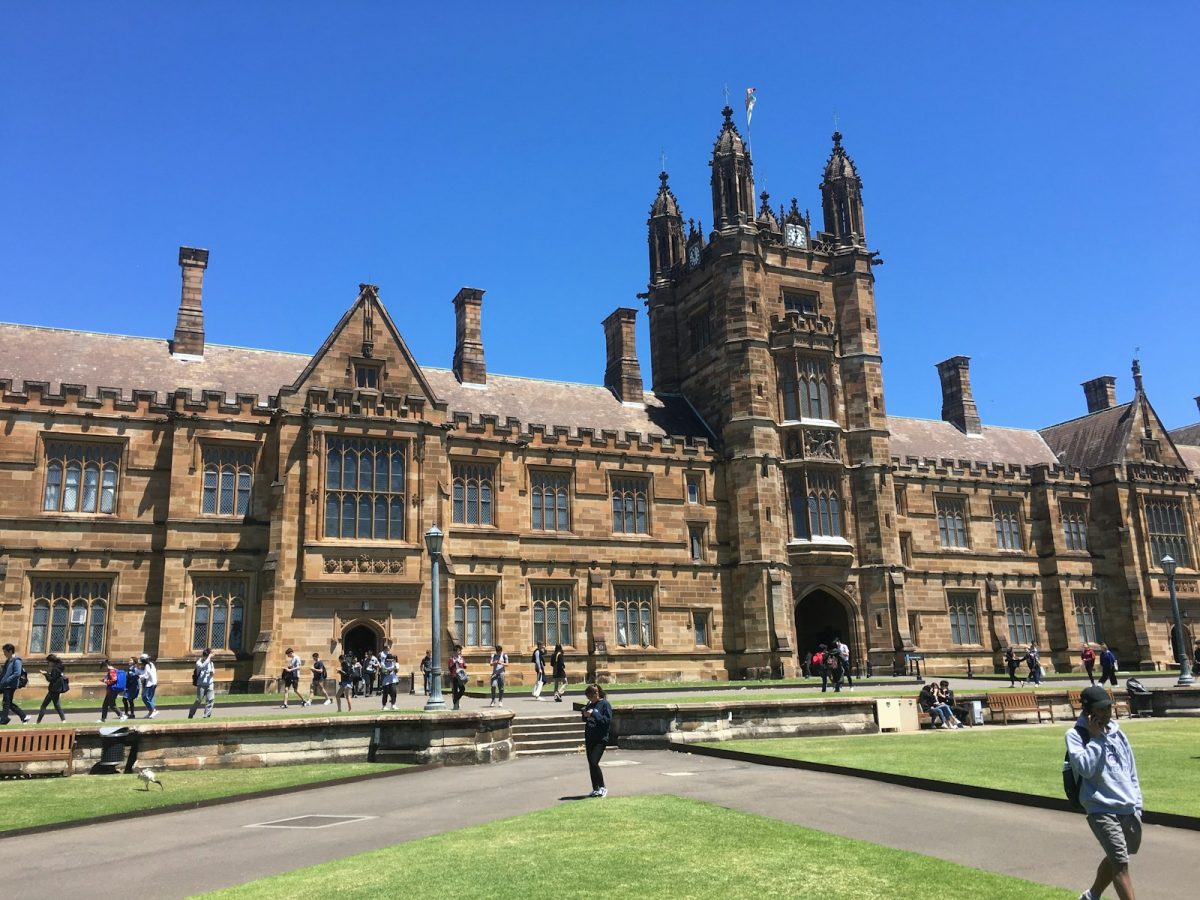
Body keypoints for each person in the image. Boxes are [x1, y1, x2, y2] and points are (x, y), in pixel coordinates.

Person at [1068, 685, 1142, 900]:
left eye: (1108, 708)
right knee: (1120, 864)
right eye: (1100, 710)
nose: (1106, 714)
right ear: (1088, 711)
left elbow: (1130, 770)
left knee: (1116, 856)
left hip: (1128, 805)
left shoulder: (1118, 734)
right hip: (1100, 807)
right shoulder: (1075, 736)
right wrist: (1096, 739)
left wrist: (1137, 804)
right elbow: (1084, 768)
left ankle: (1091, 896)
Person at [582, 683, 613, 798]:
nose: (589, 699)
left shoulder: (605, 704)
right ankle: (595, 788)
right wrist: (585, 714)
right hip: (590, 737)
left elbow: (606, 721)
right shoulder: (590, 704)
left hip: (600, 739)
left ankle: (602, 787)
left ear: (596, 694)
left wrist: (594, 713)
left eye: (590, 697)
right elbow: (585, 719)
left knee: (594, 762)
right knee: (591, 764)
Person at [0, 643, 30, 725]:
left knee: (6, 703)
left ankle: (4, 719)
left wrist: (7, 680)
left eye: (5, 652)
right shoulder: (8, 660)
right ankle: (23, 717)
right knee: (8, 703)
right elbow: (4, 673)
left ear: (10, 651)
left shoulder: (17, 660)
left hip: (10, 685)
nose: (4, 654)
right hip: (4, 684)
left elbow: (17, 673)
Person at [37, 653, 67, 723]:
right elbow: (55, 677)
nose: (48, 664)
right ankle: (63, 720)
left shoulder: (55, 669)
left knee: (44, 705)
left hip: (53, 690)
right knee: (57, 705)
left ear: (52, 661)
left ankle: (38, 722)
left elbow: (51, 679)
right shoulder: (59, 667)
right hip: (57, 689)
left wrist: (45, 674)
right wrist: (47, 673)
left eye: (48, 662)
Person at [188, 648, 215, 719]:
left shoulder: (211, 663)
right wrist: (208, 658)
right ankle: (191, 713)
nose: (210, 658)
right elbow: (202, 667)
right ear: (205, 656)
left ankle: (207, 715)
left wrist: (212, 673)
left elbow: (212, 672)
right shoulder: (199, 662)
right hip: (201, 684)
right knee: (198, 700)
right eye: (209, 656)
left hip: (210, 683)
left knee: (210, 700)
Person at [99, 658, 125, 723]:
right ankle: (103, 719)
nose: (104, 669)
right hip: (112, 690)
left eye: (104, 668)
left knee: (112, 704)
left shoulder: (111, 671)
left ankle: (121, 715)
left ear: (106, 666)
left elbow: (114, 680)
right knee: (106, 704)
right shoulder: (115, 670)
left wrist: (105, 681)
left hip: (112, 690)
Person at [448, 644, 468, 710]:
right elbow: (450, 667)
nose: (459, 652)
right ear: (455, 651)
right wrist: (454, 663)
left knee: (462, 689)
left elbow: (464, 666)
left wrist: (464, 664)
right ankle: (456, 704)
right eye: (458, 651)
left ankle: (455, 700)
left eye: (460, 651)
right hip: (454, 676)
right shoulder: (451, 659)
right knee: (455, 690)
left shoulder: (461, 658)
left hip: (461, 676)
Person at [139, 653, 158, 719]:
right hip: (154, 683)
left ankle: (153, 710)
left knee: (144, 697)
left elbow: (146, 675)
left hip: (150, 684)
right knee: (150, 698)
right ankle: (151, 712)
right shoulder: (152, 664)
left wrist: (139, 676)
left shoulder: (147, 665)